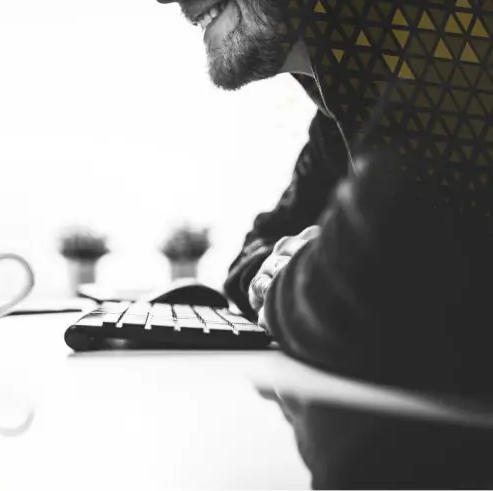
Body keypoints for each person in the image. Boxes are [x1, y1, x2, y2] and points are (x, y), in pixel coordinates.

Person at [157, 0, 493, 395]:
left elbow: (378, 292)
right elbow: (256, 251)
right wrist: (295, 268)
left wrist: (301, 271)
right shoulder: (342, 105)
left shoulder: (454, 50)